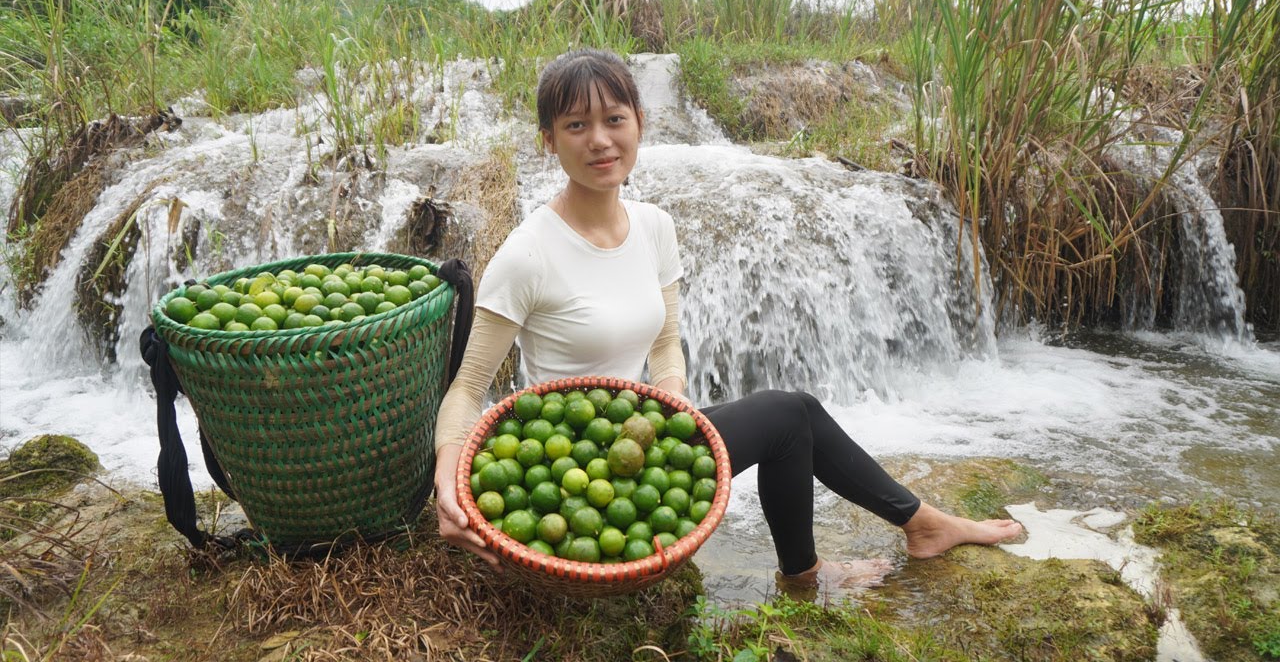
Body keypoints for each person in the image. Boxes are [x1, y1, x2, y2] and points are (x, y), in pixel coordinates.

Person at [431, 48, 1022, 593]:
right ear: (549, 141)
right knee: (788, 412)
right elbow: (468, 387)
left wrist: (669, 406)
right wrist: (448, 482)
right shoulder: (528, 253)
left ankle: (854, 553)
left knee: (792, 416)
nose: (600, 140)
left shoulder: (654, 226)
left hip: (640, 441)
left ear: (639, 123)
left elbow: (666, 343)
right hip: (563, 465)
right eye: (576, 126)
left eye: (614, 119)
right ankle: (889, 539)